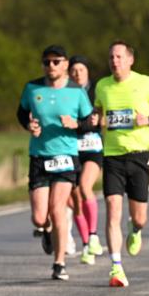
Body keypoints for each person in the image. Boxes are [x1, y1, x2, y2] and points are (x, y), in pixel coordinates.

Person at [94, 41, 149, 287]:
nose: (114, 61)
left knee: (140, 218)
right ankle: (116, 268)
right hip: (112, 155)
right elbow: (97, 113)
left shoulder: (145, 82)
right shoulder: (102, 86)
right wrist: (97, 119)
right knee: (112, 208)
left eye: (118, 57)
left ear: (130, 60)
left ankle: (135, 230)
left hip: (139, 154)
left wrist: (146, 118)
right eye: (111, 57)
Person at [17, 46, 93, 281]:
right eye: (46, 62)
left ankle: (59, 262)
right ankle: (46, 230)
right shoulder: (32, 88)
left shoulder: (76, 91)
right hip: (39, 156)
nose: (51, 66)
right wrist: (29, 126)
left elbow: (90, 122)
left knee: (58, 209)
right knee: (40, 217)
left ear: (65, 64)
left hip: (66, 157)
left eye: (56, 62)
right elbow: (22, 114)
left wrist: (76, 125)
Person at [68, 55, 105, 265]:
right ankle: (86, 245)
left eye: (81, 69)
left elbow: (104, 115)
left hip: (92, 147)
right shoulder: (66, 93)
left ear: (88, 72)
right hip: (71, 149)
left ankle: (93, 235)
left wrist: (100, 119)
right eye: (74, 70)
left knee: (84, 187)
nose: (77, 74)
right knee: (75, 201)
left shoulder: (96, 92)